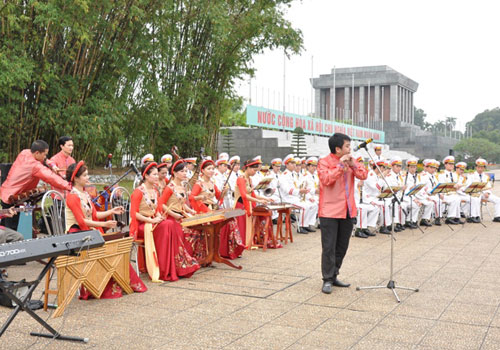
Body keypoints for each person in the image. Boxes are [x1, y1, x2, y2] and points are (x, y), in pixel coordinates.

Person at [65, 161, 147, 298]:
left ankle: (121, 282)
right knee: (106, 247)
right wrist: (104, 225)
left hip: (88, 231)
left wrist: (111, 211)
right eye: (85, 175)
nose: (88, 178)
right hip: (77, 234)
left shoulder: (84, 194)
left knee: (114, 246)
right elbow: (81, 221)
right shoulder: (73, 196)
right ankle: (101, 286)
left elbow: (94, 215)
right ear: (76, 178)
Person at [131, 161, 200, 281]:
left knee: (169, 224)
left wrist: (159, 216)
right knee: (169, 224)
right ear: (146, 176)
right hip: (143, 225)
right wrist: (151, 220)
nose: (157, 177)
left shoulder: (155, 191)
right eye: (154, 175)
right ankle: (165, 269)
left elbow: (157, 209)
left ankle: (174, 267)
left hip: (154, 221)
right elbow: (134, 213)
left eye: (157, 175)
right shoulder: (138, 191)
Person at [318, 133, 368, 294]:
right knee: (329, 247)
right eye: (347, 146)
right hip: (330, 211)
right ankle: (327, 279)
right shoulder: (324, 162)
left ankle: (334, 275)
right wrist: (340, 166)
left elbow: (363, 175)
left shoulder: (351, 161)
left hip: (348, 209)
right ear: (338, 148)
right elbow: (326, 180)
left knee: (342, 246)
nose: (350, 149)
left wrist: (353, 164)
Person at [1, 140, 71, 230]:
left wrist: (52, 165)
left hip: (6, 192)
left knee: (3, 227)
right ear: (37, 153)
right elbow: (51, 177)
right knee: (10, 230)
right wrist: (69, 186)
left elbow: (45, 160)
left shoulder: (25, 152)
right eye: (44, 154)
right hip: (12, 198)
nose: (45, 156)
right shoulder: (35, 166)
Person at [189, 159, 245, 259]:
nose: (211, 171)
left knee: (231, 220)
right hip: (202, 211)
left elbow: (219, 196)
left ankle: (228, 251)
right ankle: (215, 252)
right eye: (209, 169)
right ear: (203, 171)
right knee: (226, 222)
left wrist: (224, 190)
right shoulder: (199, 184)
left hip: (212, 210)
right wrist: (200, 198)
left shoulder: (212, 183)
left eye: (212, 169)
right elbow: (191, 197)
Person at [158, 160, 208, 262]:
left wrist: (191, 211)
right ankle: (183, 259)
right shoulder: (169, 188)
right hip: (172, 218)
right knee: (190, 232)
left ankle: (197, 258)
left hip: (181, 215)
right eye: (182, 171)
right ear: (175, 173)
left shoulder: (182, 186)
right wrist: (173, 214)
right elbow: (161, 204)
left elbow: (183, 204)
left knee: (200, 229)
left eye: (185, 171)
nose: (185, 173)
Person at [233, 158, 273, 248]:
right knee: (242, 226)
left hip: (248, 204)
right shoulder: (241, 179)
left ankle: (248, 242)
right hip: (240, 205)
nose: (255, 172)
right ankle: (242, 244)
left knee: (248, 224)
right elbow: (244, 195)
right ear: (247, 168)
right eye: (254, 170)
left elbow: (252, 194)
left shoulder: (249, 179)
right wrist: (259, 201)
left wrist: (265, 198)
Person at [279, 154, 317, 234]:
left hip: (295, 198)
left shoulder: (293, 175)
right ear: (286, 165)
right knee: (305, 207)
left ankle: (307, 224)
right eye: (292, 163)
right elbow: (287, 190)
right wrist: (300, 191)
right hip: (288, 199)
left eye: (294, 163)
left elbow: (299, 185)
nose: (294, 165)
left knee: (313, 205)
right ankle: (301, 227)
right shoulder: (284, 176)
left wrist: (304, 189)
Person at [437, 156, 463, 225]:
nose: (451, 166)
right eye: (449, 164)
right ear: (445, 165)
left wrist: (459, 185)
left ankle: (456, 217)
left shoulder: (455, 174)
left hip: (454, 193)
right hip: (446, 194)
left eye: (452, 164)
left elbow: (459, 182)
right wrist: (453, 186)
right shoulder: (442, 175)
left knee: (458, 198)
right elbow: (441, 185)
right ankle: (449, 217)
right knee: (455, 199)